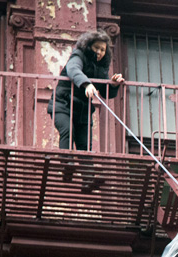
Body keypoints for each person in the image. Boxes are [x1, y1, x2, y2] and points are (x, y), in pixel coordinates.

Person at [47, 30, 125, 189]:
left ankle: (88, 180)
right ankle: (67, 164)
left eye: (103, 50)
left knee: (85, 145)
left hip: (82, 111)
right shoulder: (78, 56)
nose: (100, 52)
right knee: (67, 130)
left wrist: (114, 85)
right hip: (62, 105)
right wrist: (87, 84)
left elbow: (104, 91)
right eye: (96, 48)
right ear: (88, 46)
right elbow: (73, 70)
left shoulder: (101, 66)